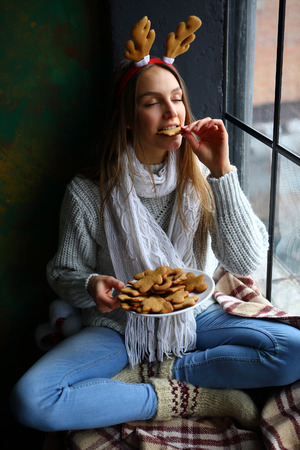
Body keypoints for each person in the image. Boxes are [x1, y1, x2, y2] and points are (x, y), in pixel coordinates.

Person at [10, 16, 300, 432]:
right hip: (120, 328)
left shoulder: (200, 175)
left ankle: (178, 372)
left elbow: (246, 260)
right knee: (30, 400)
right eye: (152, 103)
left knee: (293, 352)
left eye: (177, 98)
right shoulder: (87, 192)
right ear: (128, 118)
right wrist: (91, 284)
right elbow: (62, 272)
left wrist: (222, 171)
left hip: (197, 315)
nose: (171, 111)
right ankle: (166, 396)